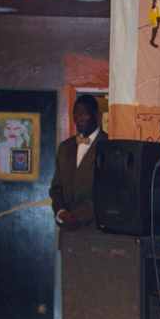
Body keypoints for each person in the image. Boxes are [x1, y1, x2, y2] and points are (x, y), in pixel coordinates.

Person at [49, 94, 108, 231]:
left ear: (95, 115)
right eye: (75, 114)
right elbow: (56, 188)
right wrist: (61, 212)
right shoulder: (65, 147)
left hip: (95, 230)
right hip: (68, 229)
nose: (78, 119)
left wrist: (76, 216)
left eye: (84, 114)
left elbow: (107, 194)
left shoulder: (109, 146)